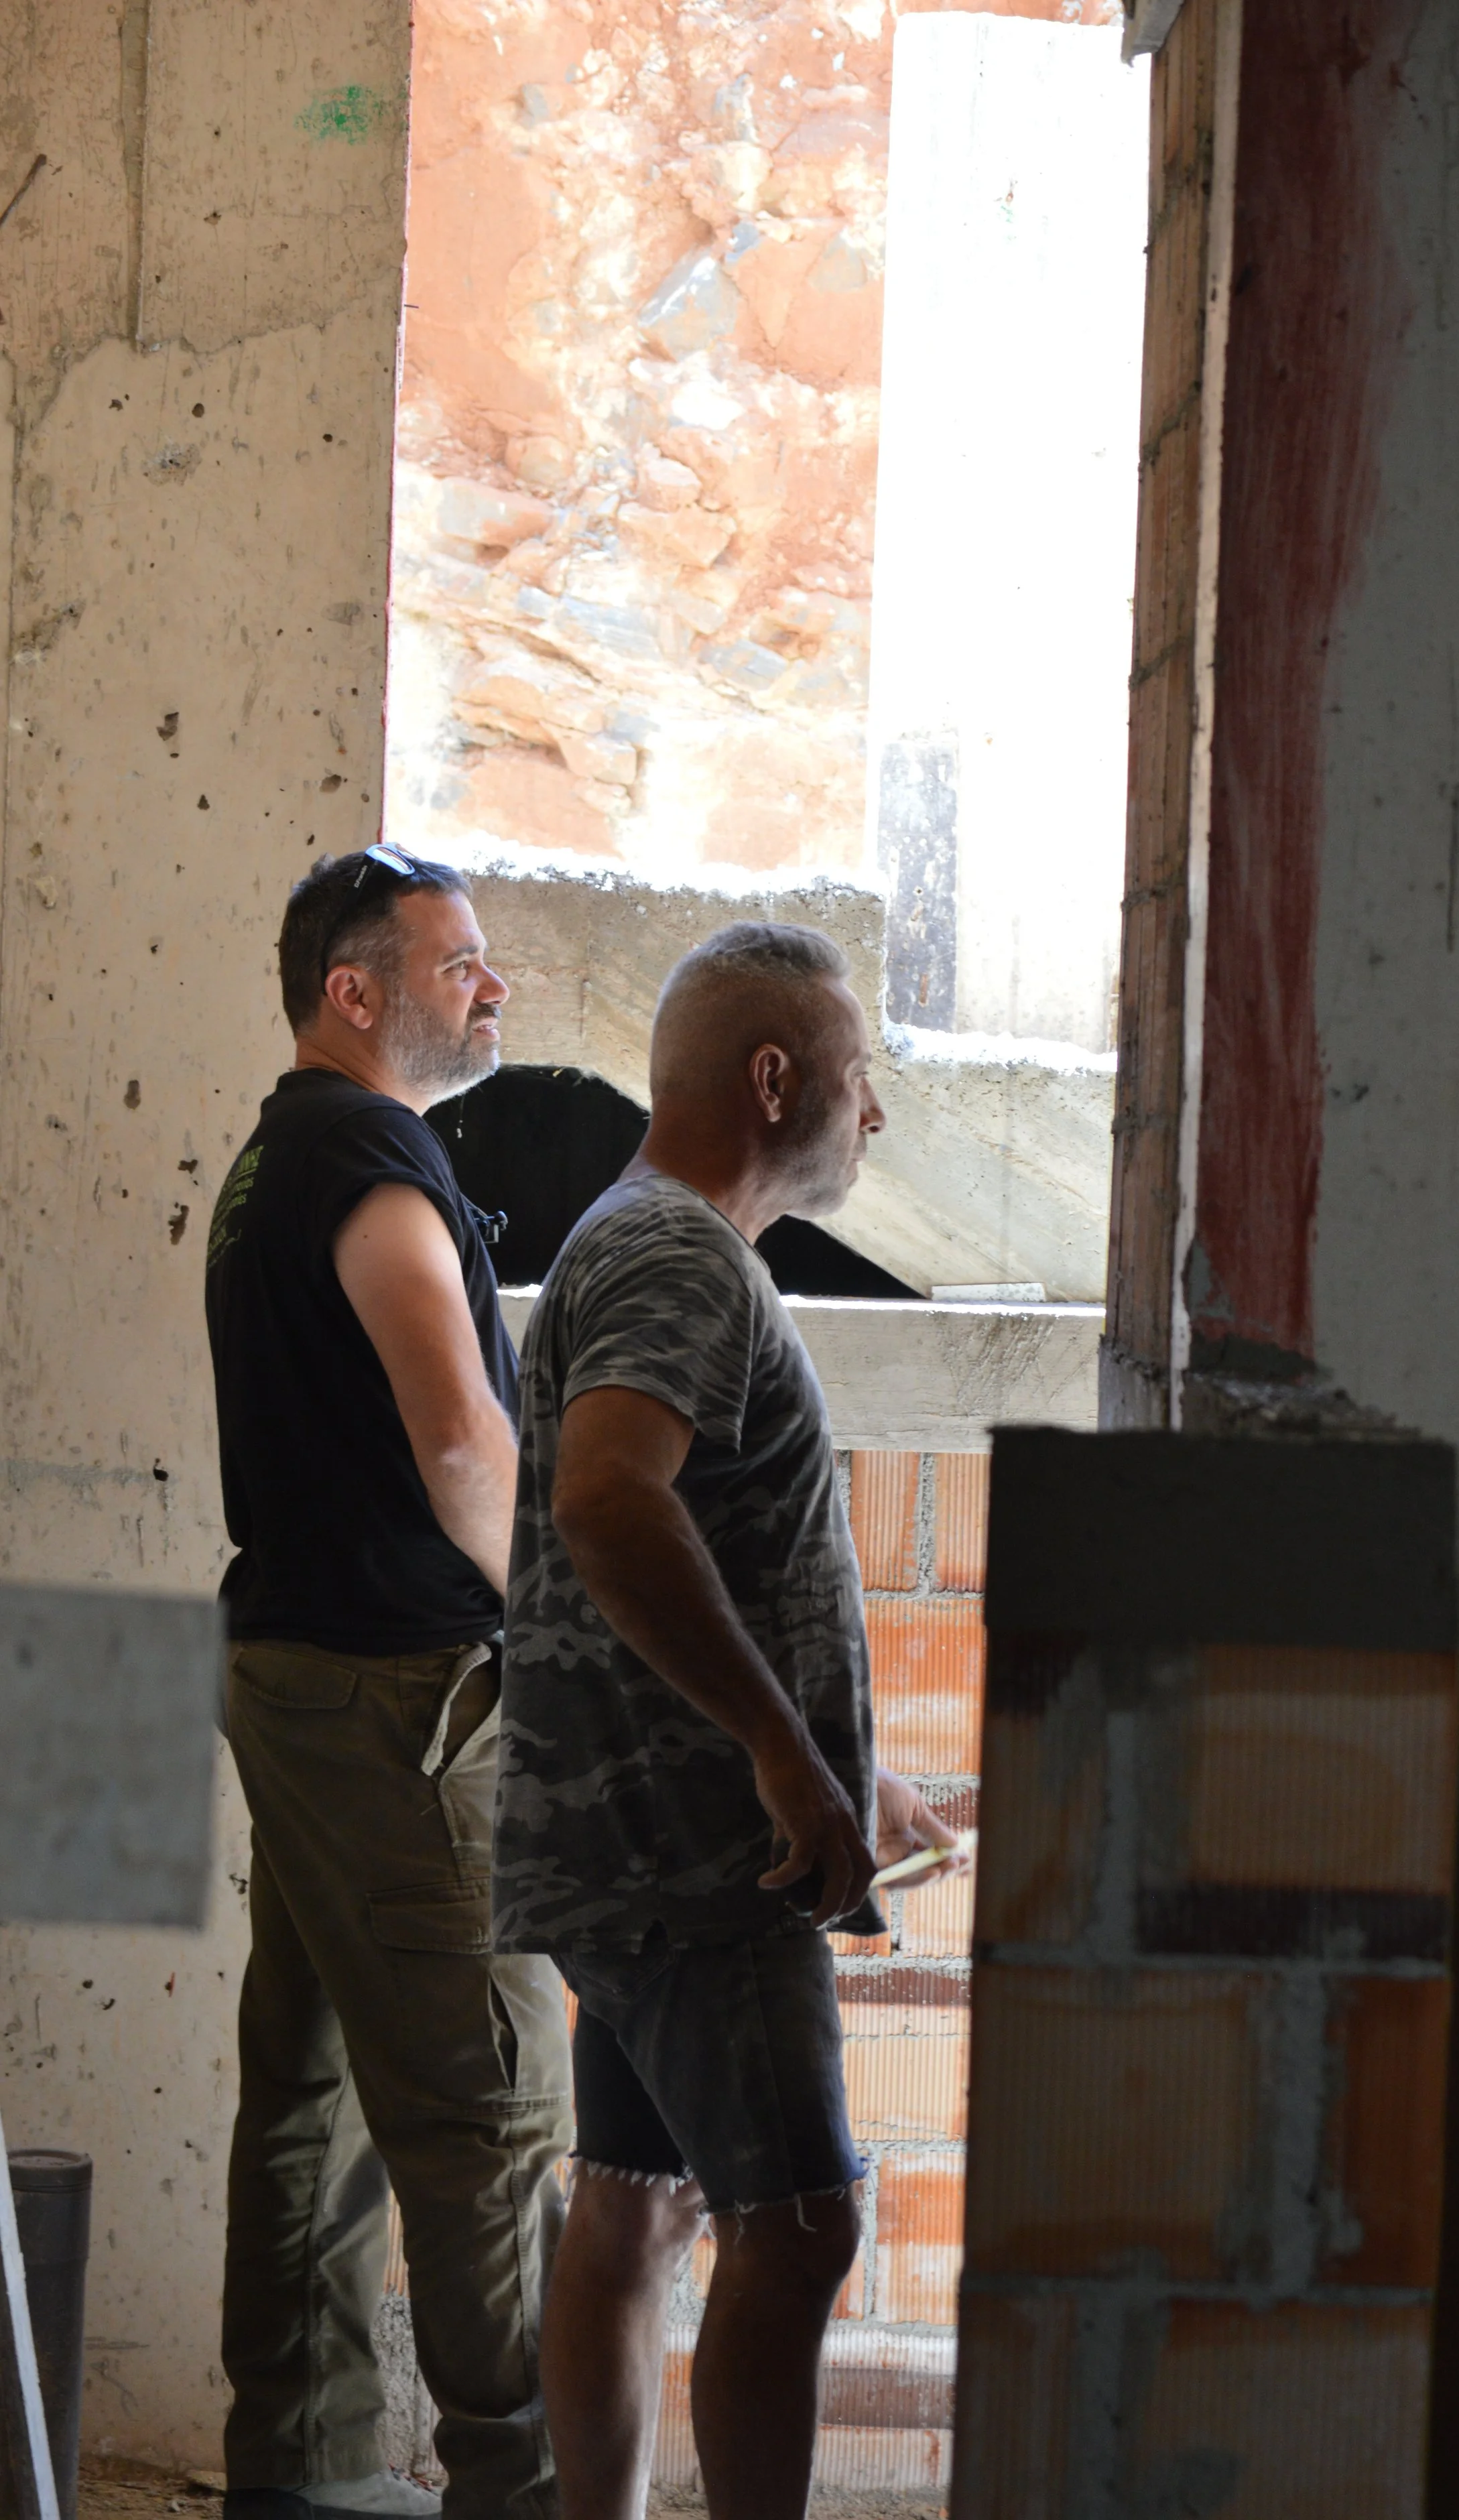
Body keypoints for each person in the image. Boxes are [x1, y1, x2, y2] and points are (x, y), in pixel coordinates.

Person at [493, 919, 962, 2520]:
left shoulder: (634, 1238)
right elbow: (609, 1500)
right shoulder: (681, 1252)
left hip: (635, 1842)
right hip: (696, 1864)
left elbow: (681, 1541)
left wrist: (847, 1765)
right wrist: (778, 1754)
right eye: (856, 1078)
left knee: (628, 2200)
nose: (870, 1115)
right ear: (775, 1080)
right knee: (804, 2222)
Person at [204, 846, 573, 2520]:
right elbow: (456, 1439)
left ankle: (307, 2466)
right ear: (356, 993)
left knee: (313, 2082)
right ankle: (526, 2482)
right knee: (489, 2115)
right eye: (459, 963)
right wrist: (577, 1638)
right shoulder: (369, 1153)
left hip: (298, 1679)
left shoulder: (277, 1155)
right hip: (405, 1708)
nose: (490, 986)